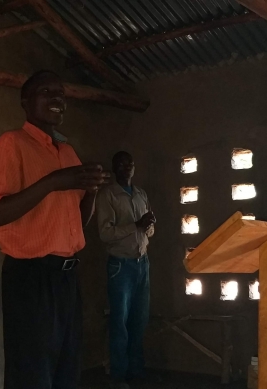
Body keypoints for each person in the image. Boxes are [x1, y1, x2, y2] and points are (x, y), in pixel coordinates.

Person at [0, 70, 109, 389]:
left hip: (65, 278)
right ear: (25, 102)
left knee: (66, 369)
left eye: (61, 94)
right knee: (32, 374)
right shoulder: (12, 143)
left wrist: (91, 190)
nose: (56, 99)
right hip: (30, 277)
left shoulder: (66, 153)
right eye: (46, 92)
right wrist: (52, 183)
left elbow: (77, 223)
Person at [96, 151, 155, 389]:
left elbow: (148, 232)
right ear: (114, 169)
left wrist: (148, 226)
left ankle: (136, 371)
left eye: (130, 163)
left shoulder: (140, 194)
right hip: (120, 265)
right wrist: (136, 225)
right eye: (121, 164)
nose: (127, 167)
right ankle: (119, 376)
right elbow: (105, 233)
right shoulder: (108, 195)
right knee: (119, 322)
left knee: (139, 320)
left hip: (142, 264)